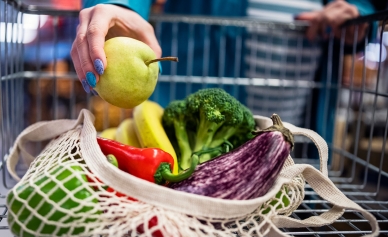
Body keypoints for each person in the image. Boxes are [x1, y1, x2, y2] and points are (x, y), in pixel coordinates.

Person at [70, 0, 376, 146]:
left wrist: (357, 16)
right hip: (197, 75)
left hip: (300, 104)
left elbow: (366, 4)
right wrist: (121, 4)